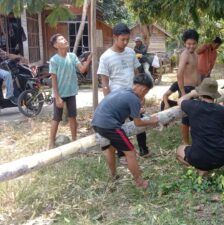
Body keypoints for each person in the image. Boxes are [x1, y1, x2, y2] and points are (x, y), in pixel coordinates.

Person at [92, 73, 159, 189]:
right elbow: (138, 123)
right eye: (146, 92)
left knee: (110, 148)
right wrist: (152, 121)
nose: (145, 94)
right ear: (143, 88)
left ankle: (113, 176)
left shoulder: (123, 90)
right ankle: (140, 182)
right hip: (109, 125)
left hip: (96, 122)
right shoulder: (134, 99)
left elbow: (122, 109)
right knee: (131, 153)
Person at [98, 23, 151, 158]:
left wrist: (141, 96)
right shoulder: (105, 57)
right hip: (117, 99)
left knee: (139, 121)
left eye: (127, 39)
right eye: (123, 39)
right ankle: (122, 154)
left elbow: (137, 73)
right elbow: (105, 83)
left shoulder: (130, 52)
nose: (125, 42)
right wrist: (108, 101)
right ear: (114, 37)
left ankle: (144, 149)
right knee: (119, 127)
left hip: (134, 95)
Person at [176, 78, 224, 176]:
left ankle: (201, 169)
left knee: (179, 151)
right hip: (221, 159)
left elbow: (180, 100)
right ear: (214, 95)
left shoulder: (192, 106)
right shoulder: (223, 111)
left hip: (198, 158)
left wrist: (192, 94)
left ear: (200, 94)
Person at [48, 34, 92, 149]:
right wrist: (57, 97)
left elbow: (82, 69)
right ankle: (51, 142)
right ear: (56, 45)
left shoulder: (72, 56)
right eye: (61, 39)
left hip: (71, 92)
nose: (65, 40)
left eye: (64, 38)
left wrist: (89, 59)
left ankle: (74, 140)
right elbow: (54, 80)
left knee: (72, 117)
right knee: (56, 118)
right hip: (60, 94)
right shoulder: (54, 60)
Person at [177, 29, 201, 145]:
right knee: (186, 119)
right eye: (188, 44)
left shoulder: (195, 54)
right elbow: (179, 74)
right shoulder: (185, 55)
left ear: (197, 43)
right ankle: (186, 143)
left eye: (193, 43)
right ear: (184, 43)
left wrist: (200, 88)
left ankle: (195, 140)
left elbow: (196, 72)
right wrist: (182, 92)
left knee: (195, 116)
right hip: (186, 90)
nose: (191, 46)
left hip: (195, 89)